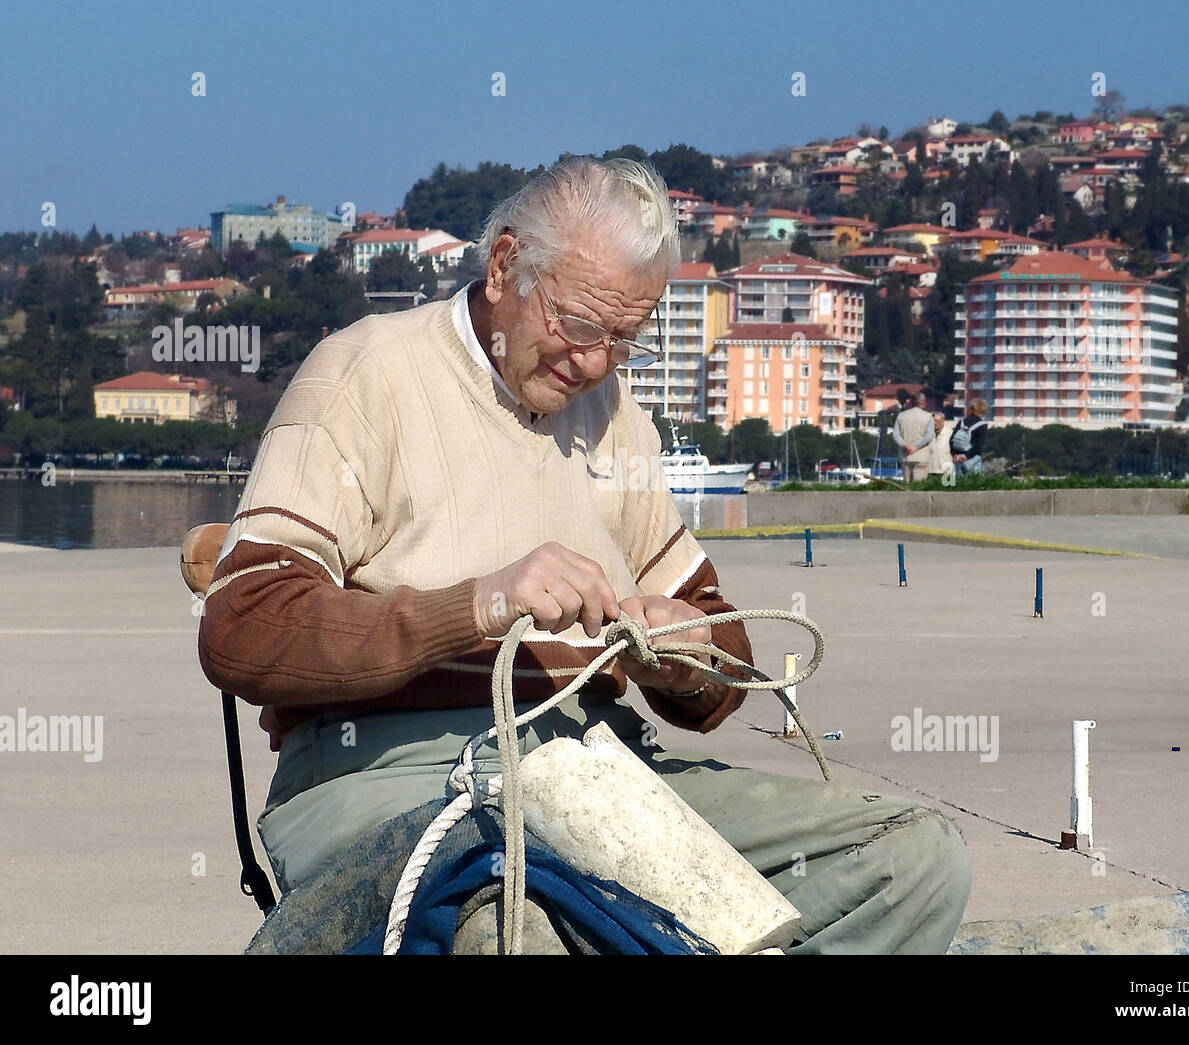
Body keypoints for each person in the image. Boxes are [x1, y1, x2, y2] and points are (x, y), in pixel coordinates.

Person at [197, 157, 969, 954]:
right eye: (581, 324)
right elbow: (243, 626)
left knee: (913, 858)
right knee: (514, 926)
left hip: (600, 771)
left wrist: (685, 654)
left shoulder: (612, 418)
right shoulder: (365, 375)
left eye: (626, 339)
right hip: (387, 773)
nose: (597, 362)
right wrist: (477, 606)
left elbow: (722, 660)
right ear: (504, 267)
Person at [892, 391, 935, 483]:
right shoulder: (928, 417)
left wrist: (905, 446)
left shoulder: (901, 416)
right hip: (921, 457)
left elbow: (896, 435)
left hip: (905, 456)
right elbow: (929, 436)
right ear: (923, 402)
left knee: (907, 487)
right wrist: (915, 447)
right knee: (918, 487)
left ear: (912, 403)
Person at [952, 398, 989, 476]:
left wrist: (955, 454)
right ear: (983, 411)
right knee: (972, 485)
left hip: (957, 459)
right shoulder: (982, 425)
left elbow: (952, 440)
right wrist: (966, 456)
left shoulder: (961, 422)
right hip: (972, 459)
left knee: (959, 485)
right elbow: (979, 445)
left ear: (971, 409)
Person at [930, 412, 955, 481]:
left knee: (948, 491)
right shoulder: (928, 434)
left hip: (947, 470)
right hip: (931, 470)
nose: (935, 423)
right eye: (933, 421)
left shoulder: (951, 433)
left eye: (937, 421)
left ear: (943, 421)